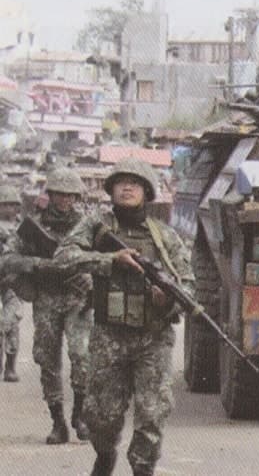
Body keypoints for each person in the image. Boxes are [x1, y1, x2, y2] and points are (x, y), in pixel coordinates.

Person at [54, 158, 193, 476]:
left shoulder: (165, 236)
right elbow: (63, 258)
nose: (127, 187)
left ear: (147, 191)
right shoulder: (95, 226)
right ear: (111, 189)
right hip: (109, 337)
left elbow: (188, 284)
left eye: (135, 183)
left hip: (153, 339)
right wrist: (109, 260)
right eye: (121, 182)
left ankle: (143, 468)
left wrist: (168, 302)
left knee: (152, 415)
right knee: (100, 417)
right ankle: (105, 456)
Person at [2, 169, 93, 444]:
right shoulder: (33, 226)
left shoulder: (88, 225)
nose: (65, 200)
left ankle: (79, 414)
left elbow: (108, 258)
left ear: (76, 197)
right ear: (50, 195)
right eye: (59, 194)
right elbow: (8, 258)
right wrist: (38, 264)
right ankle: (58, 422)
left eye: (70, 195)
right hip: (47, 298)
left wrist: (90, 275)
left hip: (78, 299)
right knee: (47, 359)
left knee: (82, 356)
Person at [0, 185, 24, 383]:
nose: (9, 208)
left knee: (11, 324)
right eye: (4, 204)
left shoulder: (23, 228)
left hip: (13, 282)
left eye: (12, 204)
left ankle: (10, 367)